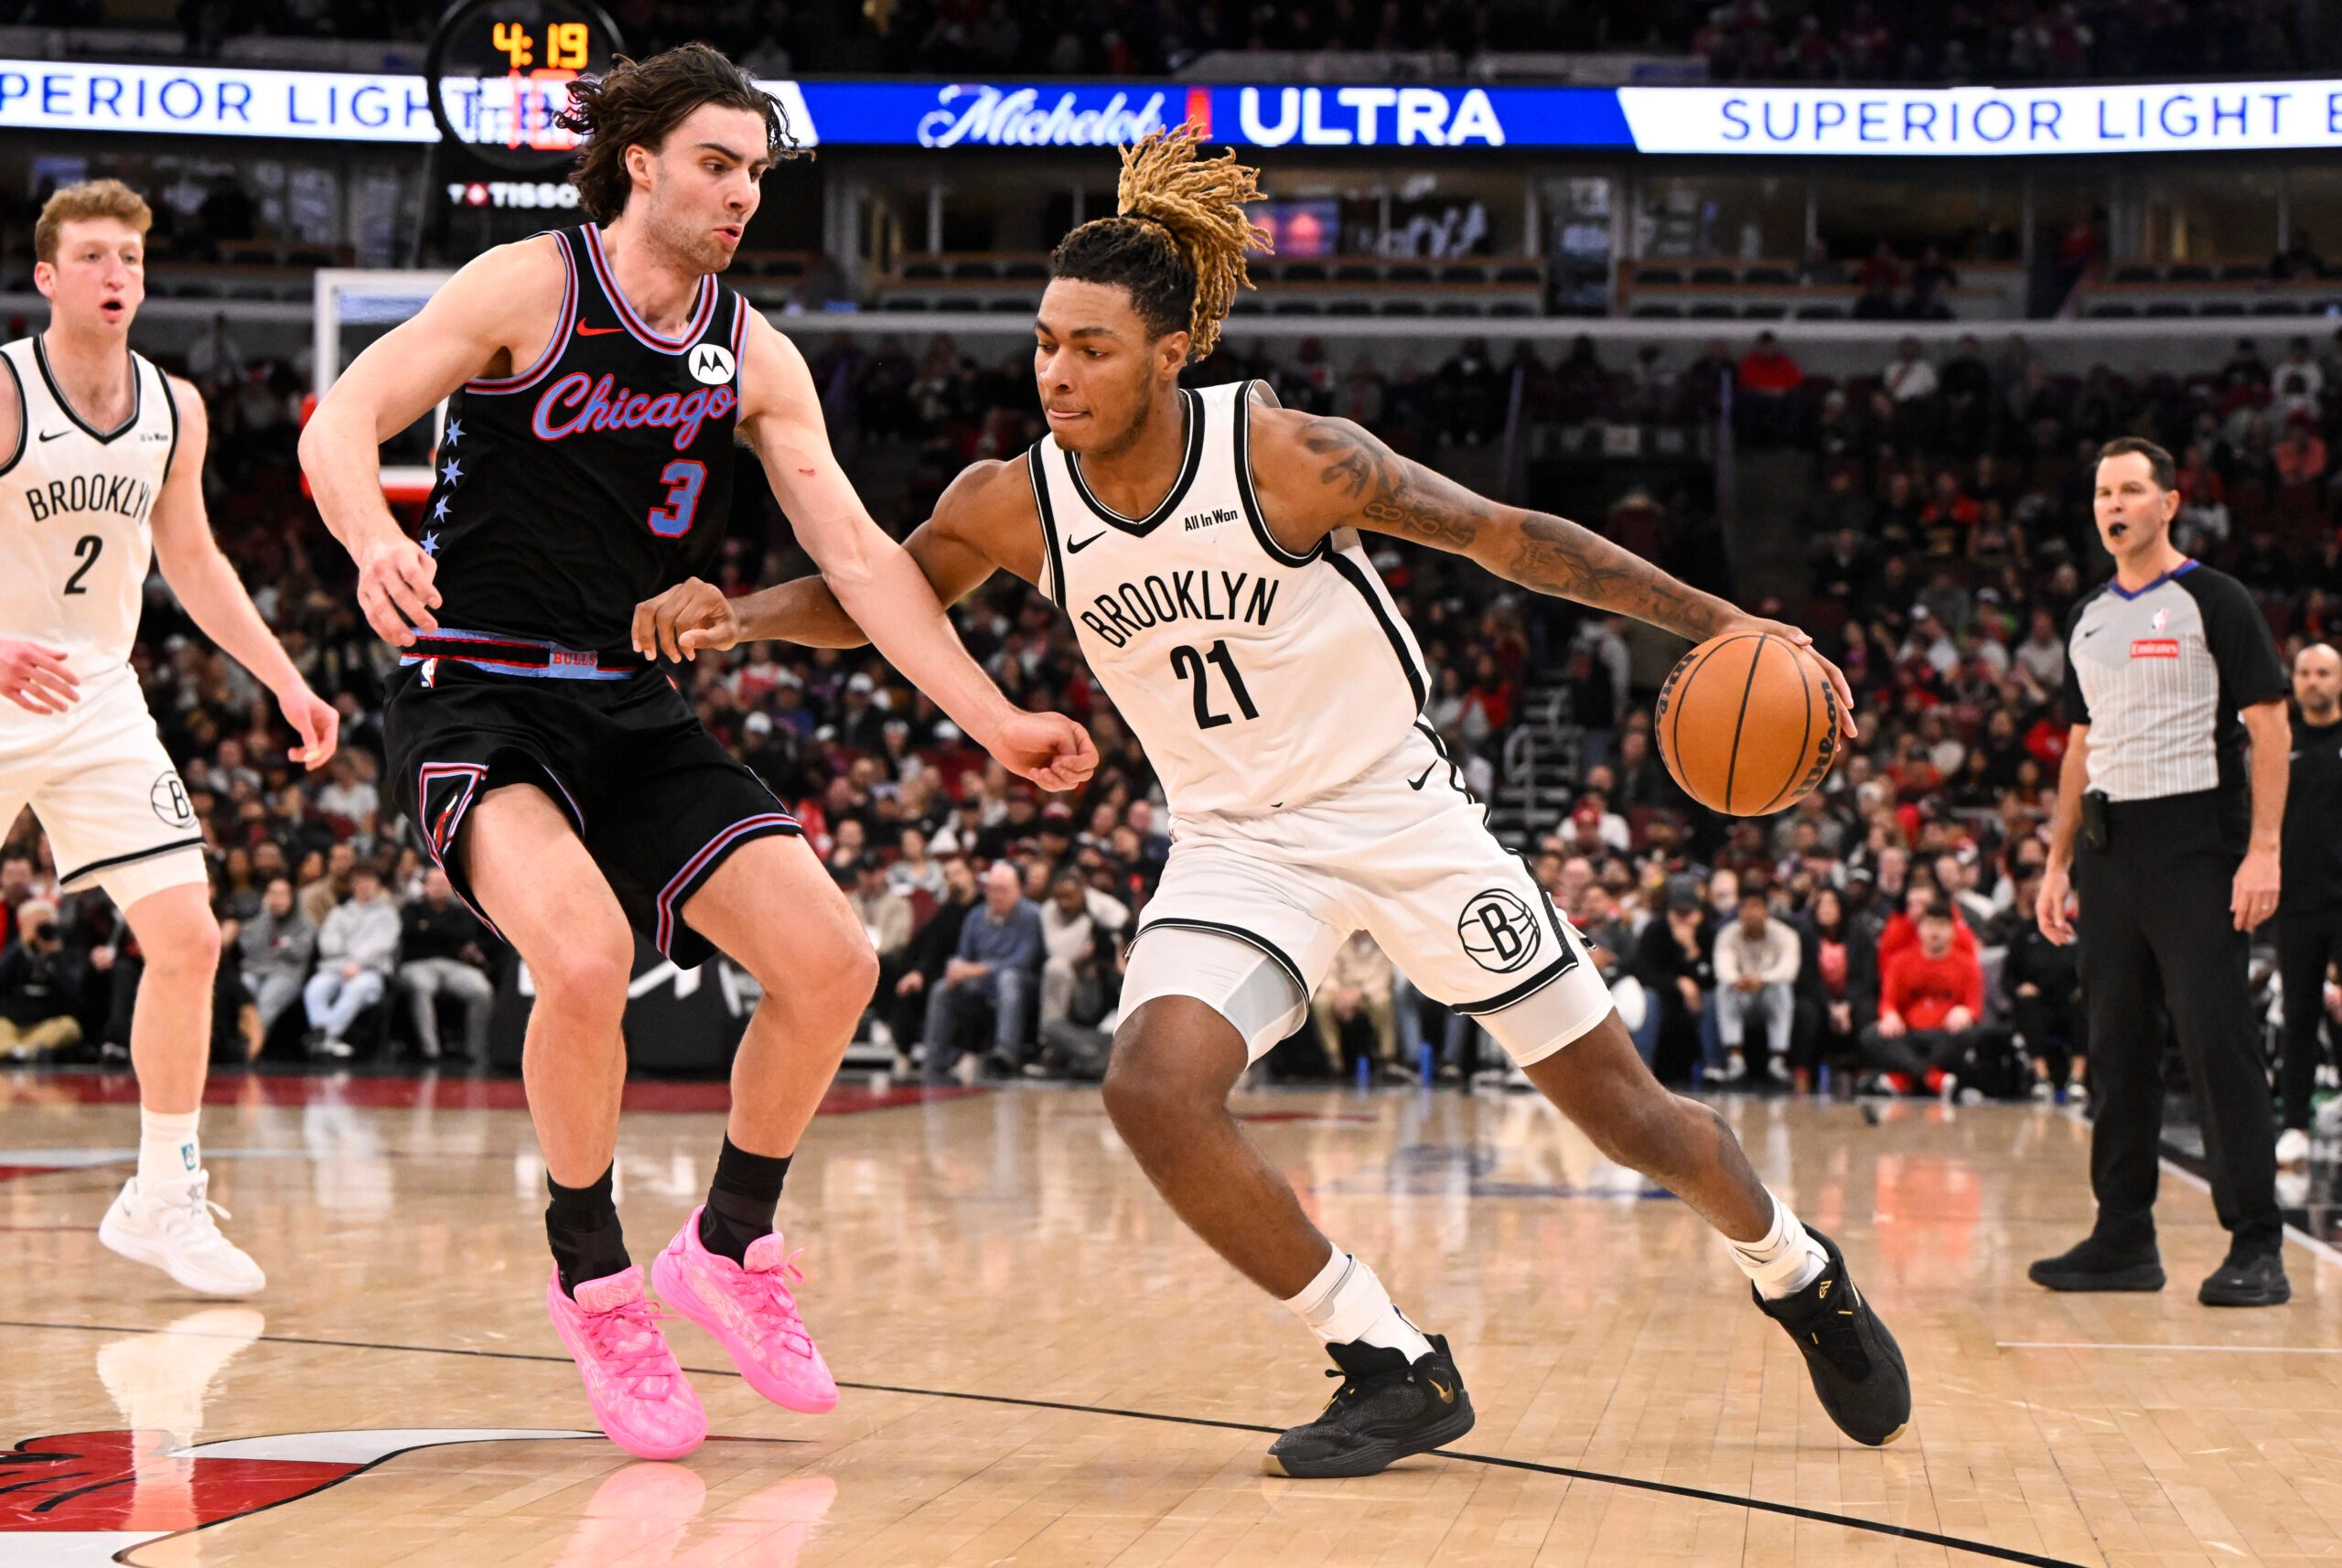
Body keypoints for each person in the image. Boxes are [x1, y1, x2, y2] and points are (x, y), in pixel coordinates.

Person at [636, 124, 1909, 1474]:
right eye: (1045, 342)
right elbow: (877, 595)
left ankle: (1795, 1266)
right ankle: (1387, 1355)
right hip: (1240, 844)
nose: (1057, 373)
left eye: (1093, 348)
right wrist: (744, 617)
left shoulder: (1291, 456)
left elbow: (1509, 537)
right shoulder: (1012, 501)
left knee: (1629, 1115)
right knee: (1152, 1087)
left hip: (1399, 814)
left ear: (1171, 354)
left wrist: (1719, 618)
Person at [298, 45, 1096, 1460]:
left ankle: (725, 1248)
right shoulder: (527, 287)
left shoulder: (754, 350)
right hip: (480, 694)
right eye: (718, 165)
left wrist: (994, 718)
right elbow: (345, 418)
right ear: (644, 163)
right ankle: (594, 1272)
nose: (742, 194)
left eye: (757, 173)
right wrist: (371, 535)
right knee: (588, 958)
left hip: (634, 700)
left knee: (834, 961)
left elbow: (858, 558)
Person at [1, 179, 338, 1299]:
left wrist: (286, 680)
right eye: (92, 256)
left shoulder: (174, 406)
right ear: (46, 277)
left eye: (130, 261)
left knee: (189, 938)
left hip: (98, 695)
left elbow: (193, 564)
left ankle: (161, 1192)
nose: (115, 276)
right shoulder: (4, 389)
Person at [2032, 437, 2294, 1308]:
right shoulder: (2090, 616)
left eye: (2132, 490)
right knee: (2117, 1050)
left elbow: (2270, 728)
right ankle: (2123, 1238)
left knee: (2219, 1046)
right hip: (2110, 851)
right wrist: (2058, 860)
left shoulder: (2214, 599)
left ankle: (2258, 1244)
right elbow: (2079, 744)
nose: (2115, 505)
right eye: (2104, 491)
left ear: (2168, 503)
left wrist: (2263, 850)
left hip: (2196, 845)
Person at [2276, 642, 2342, 1165]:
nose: (2314, 681)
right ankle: (2294, 1123)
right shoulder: (2278, 741)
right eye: (2305, 673)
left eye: (2324, 673)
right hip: (2296, 902)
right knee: (2297, 1015)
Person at [921, 861, 1043, 1082]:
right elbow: (963, 955)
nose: (996, 896)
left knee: (1009, 978)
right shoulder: (976, 916)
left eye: (1003, 890)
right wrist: (956, 968)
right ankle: (935, 1057)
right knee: (942, 988)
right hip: (982, 984)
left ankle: (1006, 1054)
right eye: (992, 890)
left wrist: (979, 968)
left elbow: (1024, 960)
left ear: (1018, 890)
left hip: (1022, 984)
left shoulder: (1031, 915)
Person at [1861, 901, 1985, 1096]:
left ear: (1953, 930)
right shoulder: (1900, 962)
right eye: (1929, 925)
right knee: (1871, 1036)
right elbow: (1888, 1001)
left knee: (1969, 1035)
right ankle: (1931, 1077)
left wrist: (1966, 1013)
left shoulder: (1968, 965)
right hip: (1908, 1034)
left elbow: (1974, 1008)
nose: (1935, 932)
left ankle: (1904, 1079)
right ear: (1919, 929)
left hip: (1945, 1035)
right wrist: (1890, 1014)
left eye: (1942, 925)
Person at [395, 866, 497, 1062]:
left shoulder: (461, 910)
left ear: (451, 887)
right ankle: (430, 1051)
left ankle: (475, 1051)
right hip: (417, 964)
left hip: (453, 966)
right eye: (432, 882)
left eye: (442, 883)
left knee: (481, 989)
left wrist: (428, 929)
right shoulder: (410, 909)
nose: (437, 887)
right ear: (424, 886)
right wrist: (444, 933)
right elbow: (410, 935)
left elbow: (464, 935)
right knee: (422, 986)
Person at [302, 862, 399, 1058]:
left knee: (357, 988)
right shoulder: (339, 913)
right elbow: (328, 942)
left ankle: (324, 1036)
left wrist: (357, 963)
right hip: (335, 968)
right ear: (352, 885)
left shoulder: (388, 914)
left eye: (369, 881)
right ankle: (329, 1041)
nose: (364, 886)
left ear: (378, 884)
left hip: (371, 972)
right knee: (315, 987)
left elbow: (381, 945)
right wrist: (346, 961)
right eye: (359, 881)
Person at [1713, 886, 1799, 1084]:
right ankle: (1735, 1060)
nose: (1751, 912)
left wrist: (1762, 979)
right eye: (1745, 907)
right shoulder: (1727, 933)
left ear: (1766, 910)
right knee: (1724, 989)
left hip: (1768, 993)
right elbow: (1722, 967)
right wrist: (1738, 980)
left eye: (1756, 906)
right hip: (1741, 992)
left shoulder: (1785, 934)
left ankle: (1778, 1061)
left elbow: (1789, 969)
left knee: (1782, 988)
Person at [1310, 929, 1400, 1079]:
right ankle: (1333, 1056)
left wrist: (1359, 993)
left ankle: (1387, 1057)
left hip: (1368, 993)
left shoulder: (1384, 941)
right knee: (1320, 1002)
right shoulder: (1341, 939)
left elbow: (1384, 977)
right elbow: (1329, 972)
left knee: (1383, 1001)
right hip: (1341, 992)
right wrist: (1338, 992)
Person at [237, 874, 315, 1044]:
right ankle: (233, 1043)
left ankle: (249, 1046)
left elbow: (300, 951)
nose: (277, 899)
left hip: (286, 974)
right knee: (243, 989)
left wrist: (277, 948)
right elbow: (248, 948)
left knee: (267, 1000)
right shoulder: (259, 922)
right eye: (273, 893)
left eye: (282, 894)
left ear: (291, 898)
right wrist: (279, 945)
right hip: (255, 971)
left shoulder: (304, 924)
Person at [0, 897, 81, 1058]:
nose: (39, 929)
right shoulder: (14, 952)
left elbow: (74, 993)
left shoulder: (61, 952)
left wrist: (55, 956)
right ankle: (23, 1051)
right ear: (22, 924)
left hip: (46, 1026)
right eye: (33, 922)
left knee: (70, 1027)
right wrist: (20, 946)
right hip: (12, 1025)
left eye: (44, 923)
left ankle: (17, 1052)